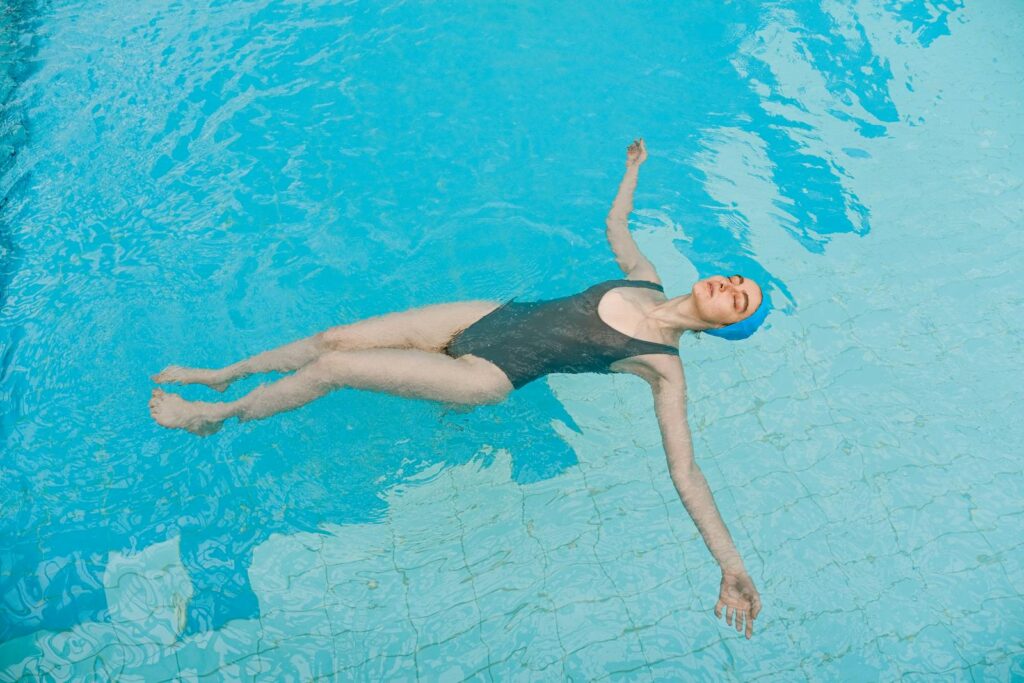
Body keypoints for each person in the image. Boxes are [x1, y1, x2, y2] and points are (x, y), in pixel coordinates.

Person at [149, 138, 768, 639]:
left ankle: (217, 414)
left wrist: (731, 567)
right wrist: (633, 170)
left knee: (334, 370)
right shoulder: (647, 278)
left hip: (487, 376)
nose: (730, 288)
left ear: (727, 328)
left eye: (740, 303)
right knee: (331, 339)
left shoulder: (662, 366)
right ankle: (223, 374)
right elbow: (616, 224)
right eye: (736, 279)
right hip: (484, 317)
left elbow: (685, 471)